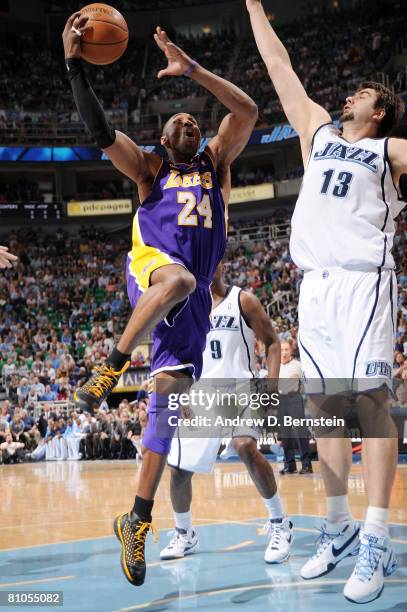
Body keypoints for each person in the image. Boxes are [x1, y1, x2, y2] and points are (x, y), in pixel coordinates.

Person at [62, 13, 257, 587]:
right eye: (179, 117)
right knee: (180, 281)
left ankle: (138, 519)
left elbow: (245, 112)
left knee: (167, 406)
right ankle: (111, 366)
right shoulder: (149, 171)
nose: (189, 119)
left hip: (189, 309)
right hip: (154, 275)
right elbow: (101, 132)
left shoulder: (216, 165)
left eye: (195, 118)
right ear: (163, 138)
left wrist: (193, 69)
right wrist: (75, 65)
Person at [247, 0, 406, 604]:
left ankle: (376, 537)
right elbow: (279, 64)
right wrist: (254, 7)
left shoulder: (390, 151)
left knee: (369, 399)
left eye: (362, 93)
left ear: (381, 110)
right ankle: (337, 523)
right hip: (313, 284)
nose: (349, 97)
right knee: (321, 406)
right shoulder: (318, 133)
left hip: (364, 280)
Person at [160, 262, 293, 563]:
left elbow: (272, 344)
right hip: (202, 395)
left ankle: (280, 524)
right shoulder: (187, 310)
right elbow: (181, 356)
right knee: (179, 471)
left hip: (240, 388)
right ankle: (185, 534)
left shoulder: (243, 300)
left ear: (219, 265)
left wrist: (271, 386)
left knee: (244, 445)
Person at [278, 341, 312, 475]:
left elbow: (305, 384)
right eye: (282, 350)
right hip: (281, 400)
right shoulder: (276, 366)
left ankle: (306, 464)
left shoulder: (298, 365)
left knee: (300, 432)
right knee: (285, 434)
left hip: (295, 398)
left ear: (291, 351)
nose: (284, 352)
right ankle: (290, 465)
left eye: (286, 349)